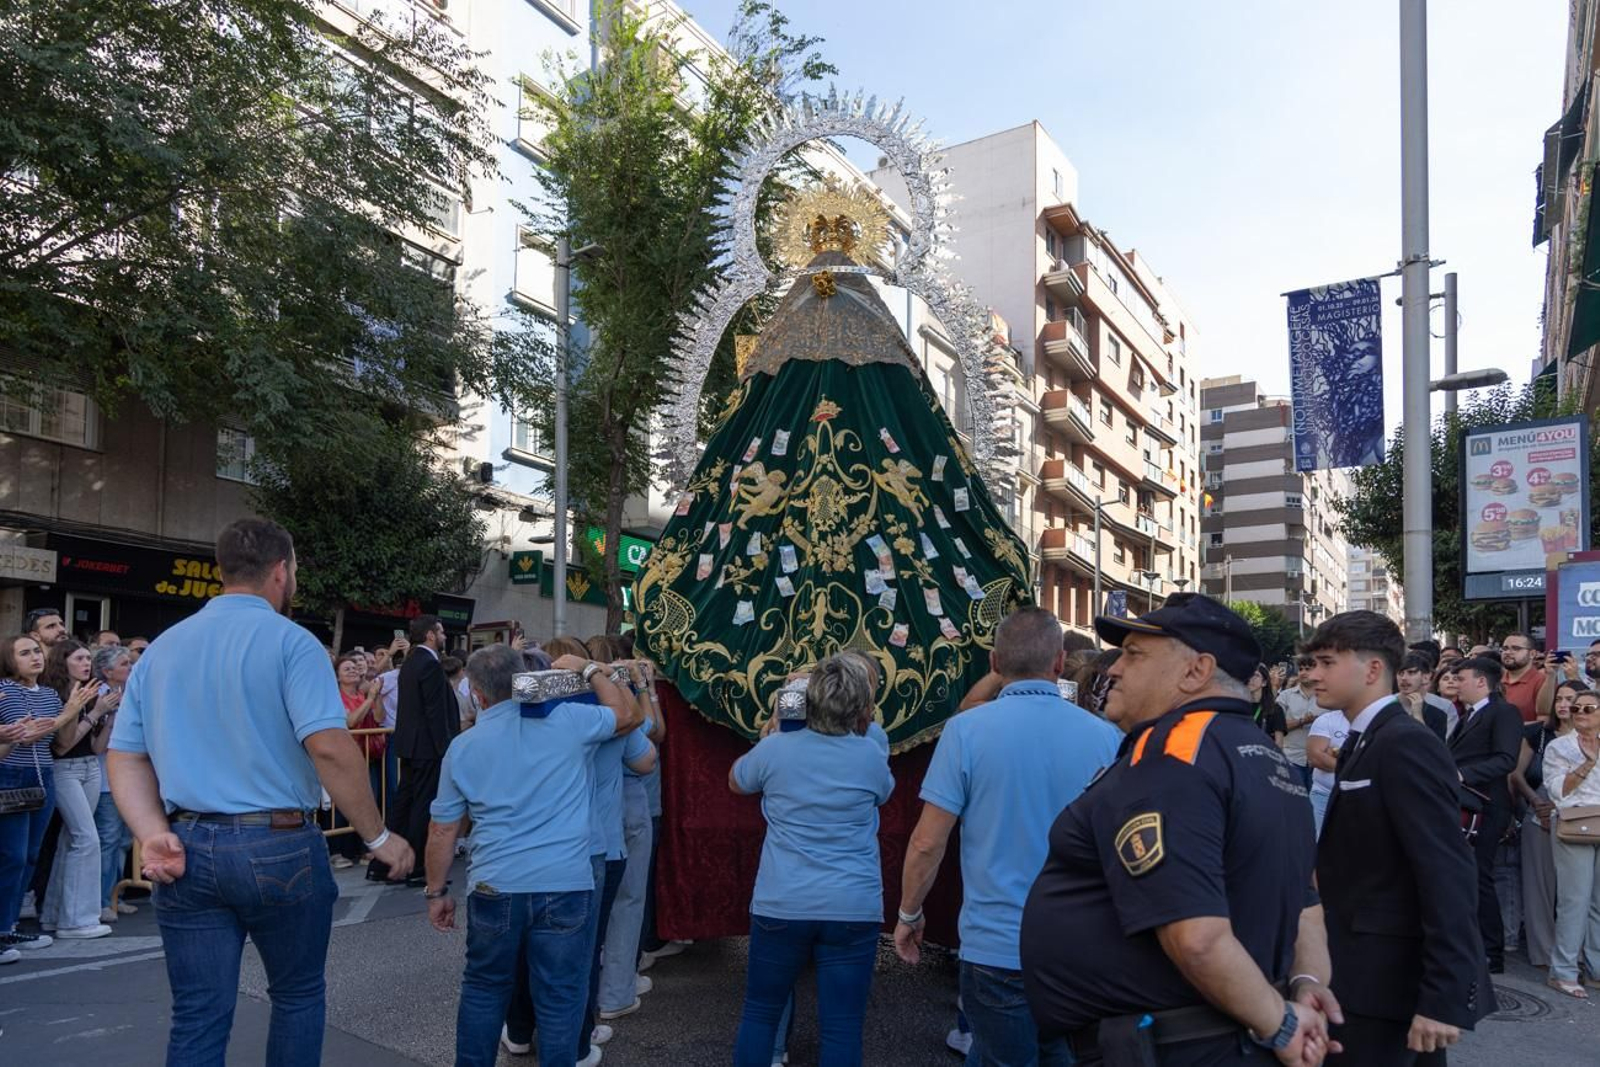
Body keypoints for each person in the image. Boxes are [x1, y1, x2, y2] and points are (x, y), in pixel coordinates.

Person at [107, 518, 413, 1066]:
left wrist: (151, 832)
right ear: (281, 571)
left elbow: (126, 754)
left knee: (199, 1013)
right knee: (296, 996)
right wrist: (378, 834)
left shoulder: (162, 649)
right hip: (277, 843)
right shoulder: (293, 643)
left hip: (186, 843)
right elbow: (329, 747)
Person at [1019, 593, 1333, 1066]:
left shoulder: (1175, 751)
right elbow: (1307, 907)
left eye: (1134, 654)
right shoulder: (1265, 757)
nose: (1114, 669)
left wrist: (1283, 1025)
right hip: (1224, 1035)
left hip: (1174, 1044)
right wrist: (1307, 986)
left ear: (1195, 671)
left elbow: (1196, 937)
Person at [895, 607, 1121, 1065]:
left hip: (996, 943)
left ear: (995, 664)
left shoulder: (965, 731)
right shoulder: (1107, 737)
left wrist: (909, 912)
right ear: (1059, 663)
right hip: (1079, 942)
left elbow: (926, 842)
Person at [424, 644, 642, 1067]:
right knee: (561, 995)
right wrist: (593, 670)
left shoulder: (464, 747)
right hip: (565, 882)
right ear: (525, 677)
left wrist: (437, 891)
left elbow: (443, 829)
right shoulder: (570, 722)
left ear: (477, 694)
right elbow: (629, 715)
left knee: (485, 988)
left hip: (495, 883)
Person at [1304, 611, 1490, 1063]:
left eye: (1327, 663)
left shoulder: (1405, 741)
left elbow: (1446, 870)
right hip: (1364, 972)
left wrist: (1443, 997)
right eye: (1311, 664)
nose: (1312, 676)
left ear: (1372, 669)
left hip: (1391, 981)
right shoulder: (1365, 738)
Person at [729, 653, 894, 1067]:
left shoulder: (776, 749)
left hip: (783, 899)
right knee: (842, 1026)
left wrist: (774, 725)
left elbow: (737, 780)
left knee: (761, 1013)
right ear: (862, 707)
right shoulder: (871, 754)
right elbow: (883, 791)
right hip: (852, 904)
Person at [502, 636, 655, 1065]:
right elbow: (645, 753)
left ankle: (518, 1029)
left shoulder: (516, 718)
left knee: (526, 947)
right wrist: (613, 679)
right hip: (595, 846)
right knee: (580, 953)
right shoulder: (602, 717)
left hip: (528, 846)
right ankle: (577, 1042)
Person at [1, 633, 89, 962]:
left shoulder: (51, 694)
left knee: (31, 855)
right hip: (10, 775)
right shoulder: (4, 691)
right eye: (24, 653)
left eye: (37, 651)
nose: (35, 657)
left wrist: (75, 711)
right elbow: (26, 736)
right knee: (11, 855)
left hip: (44, 775)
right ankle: (1, 930)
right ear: (10, 660)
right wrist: (67, 713)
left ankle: (8, 925)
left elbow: (61, 743)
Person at [1449, 656, 1523, 974]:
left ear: (1481, 681)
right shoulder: (1467, 715)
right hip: (1463, 804)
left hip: (1487, 806)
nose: (1455, 683)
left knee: (1480, 876)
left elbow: (1506, 759)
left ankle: (1492, 952)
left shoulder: (1503, 712)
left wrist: (1462, 774)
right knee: (1464, 877)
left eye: (1461, 678)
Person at [39, 639, 115, 938]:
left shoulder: (90, 693)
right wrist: (92, 712)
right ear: (64, 662)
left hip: (89, 766)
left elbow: (96, 747)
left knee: (71, 840)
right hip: (65, 769)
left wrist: (107, 717)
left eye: (88, 659)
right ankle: (77, 920)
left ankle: (54, 916)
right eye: (80, 659)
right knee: (87, 839)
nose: (86, 664)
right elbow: (62, 745)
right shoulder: (60, 696)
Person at [1513, 680, 1583, 971]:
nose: (1564, 705)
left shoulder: (1591, 737)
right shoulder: (1536, 734)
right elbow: (1515, 774)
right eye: (1560, 699)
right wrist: (1535, 802)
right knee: (1538, 887)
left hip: (1578, 819)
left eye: (1572, 699)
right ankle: (1542, 953)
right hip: (1537, 814)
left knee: (1576, 892)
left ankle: (1576, 955)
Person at [383, 614, 456, 886]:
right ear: (430, 635)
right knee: (422, 805)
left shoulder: (412, 662)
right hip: (428, 748)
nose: (444, 636)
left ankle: (388, 864)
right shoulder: (429, 665)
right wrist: (445, 748)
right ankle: (416, 866)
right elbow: (435, 712)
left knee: (405, 802)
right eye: (441, 632)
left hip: (409, 745)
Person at [1541, 689, 1600, 998]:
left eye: (1588, 707)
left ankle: (1596, 969)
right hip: (1574, 823)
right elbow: (1558, 792)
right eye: (1576, 707)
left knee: (1598, 903)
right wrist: (1586, 765)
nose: (1580, 712)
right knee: (1573, 901)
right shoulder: (1559, 747)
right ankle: (1563, 971)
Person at [88, 645, 137, 924]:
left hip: (129, 778)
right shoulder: (100, 696)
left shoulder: (131, 694)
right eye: (124, 664)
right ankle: (101, 900)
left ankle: (115, 895)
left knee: (122, 841)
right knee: (108, 838)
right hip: (106, 777)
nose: (129, 668)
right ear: (107, 671)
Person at [1274, 656, 1322, 789]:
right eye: (1300, 669)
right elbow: (1277, 726)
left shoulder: (1326, 695)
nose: (1303, 672)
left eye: (1308, 669)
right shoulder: (1285, 696)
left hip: (1319, 762)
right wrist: (1302, 721)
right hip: (1292, 759)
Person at [1304, 706, 1348, 838]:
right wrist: (1357, 762)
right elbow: (1315, 759)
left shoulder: (1378, 721)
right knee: (1317, 842)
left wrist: (1333, 753)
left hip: (1360, 799)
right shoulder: (1326, 719)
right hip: (1323, 795)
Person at [1396, 651, 1451, 741]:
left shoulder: (1437, 715)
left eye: (1411, 673)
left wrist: (1418, 716)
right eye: (1400, 673)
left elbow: (1433, 749)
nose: (1404, 678)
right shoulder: (1384, 706)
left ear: (1426, 677)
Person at [1495, 634, 1542, 723]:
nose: (1508, 652)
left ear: (1532, 654)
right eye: (1505, 648)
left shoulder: (1542, 681)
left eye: (1516, 648)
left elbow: (1544, 721)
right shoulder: (1494, 680)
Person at [1248, 663, 1286, 745]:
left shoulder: (1275, 709)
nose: (1251, 678)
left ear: (1264, 682)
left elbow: (1279, 743)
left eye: (1256, 675)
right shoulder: (1240, 706)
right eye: (1249, 674)